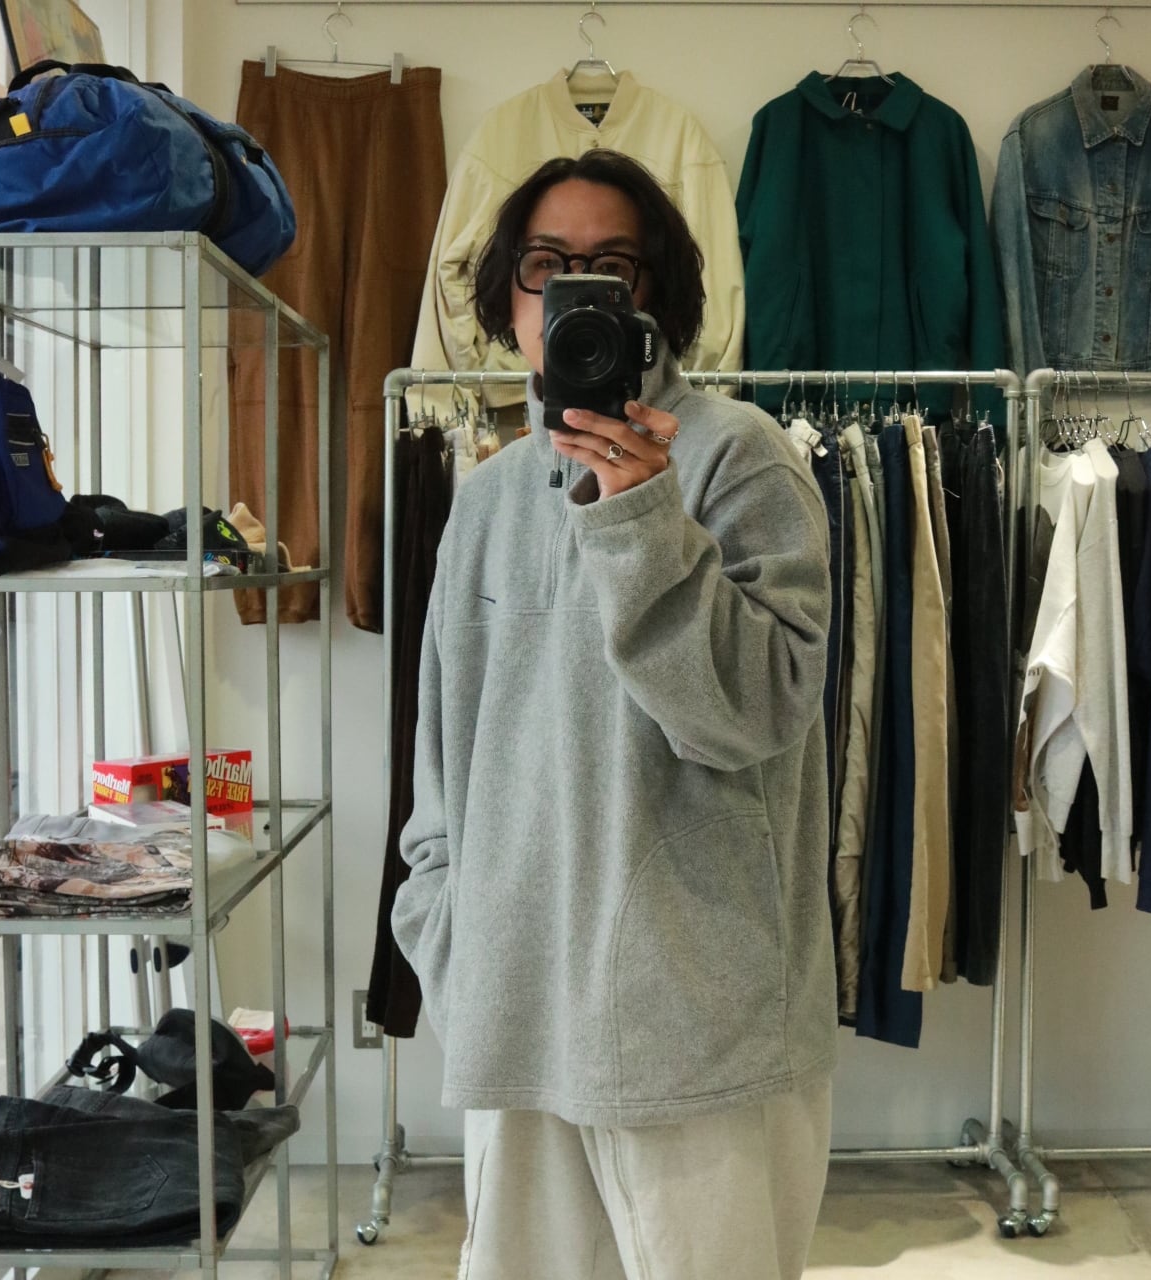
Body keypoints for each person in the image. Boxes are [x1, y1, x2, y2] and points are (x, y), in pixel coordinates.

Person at [392, 149, 838, 1280]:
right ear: (510, 300)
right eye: (545, 264)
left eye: (610, 265)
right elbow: (440, 760)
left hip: (699, 1031)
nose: (571, 289)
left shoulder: (740, 459)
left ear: (653, 297)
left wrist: (642, 518)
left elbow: (756, 711)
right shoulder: (486, 496)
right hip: (518, 1019)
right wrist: (447, 936)